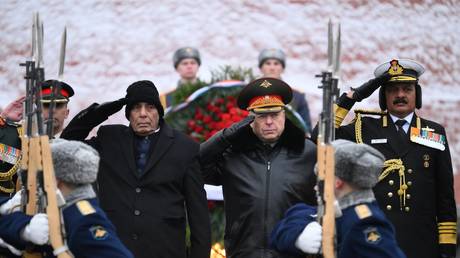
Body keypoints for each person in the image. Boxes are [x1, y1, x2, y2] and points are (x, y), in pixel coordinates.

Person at [312, 59, 456, 258]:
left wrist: (447, 246)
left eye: (407, 89)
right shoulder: (364, 127)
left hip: (423, 242)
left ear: (417, 94)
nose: (400, 95)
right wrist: (352, 97)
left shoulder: (433, 132)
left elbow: (445, 195)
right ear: (383, 96)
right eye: (392, 90)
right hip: (377, 239)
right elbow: (320, 138)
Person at [60, 80, 211, 258]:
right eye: (136, 108)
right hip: (114, 249)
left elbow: (198, 216)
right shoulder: (109, 139)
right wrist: (104, 110)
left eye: (150, 108)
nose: (143, 114)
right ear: (128, 114)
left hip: (165, 251)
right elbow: (67, 144)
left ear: (159, 112)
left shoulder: (184, 147)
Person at [200, 77, 317, 258]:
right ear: (250, 119)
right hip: (244, 252)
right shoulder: (233, 153)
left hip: (292, 252)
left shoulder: (307, 151)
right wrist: (226, 136)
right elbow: (196, 165)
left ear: (284, 114)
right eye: (262, 116)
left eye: (275, 114)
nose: (269, 121)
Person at [271, 140, 406, 258]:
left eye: (321, 179)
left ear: (337, 183)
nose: (316, 187)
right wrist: (297, 237)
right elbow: (282, 229)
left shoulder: (364, 222)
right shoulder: (334, 210)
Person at [0, 139, 134, 258]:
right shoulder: (63, 208)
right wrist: (24, 230)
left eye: (41, 177)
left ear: (55, 180)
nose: (38, 184)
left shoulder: (85, 220)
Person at [258, 48, 312, 133]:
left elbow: (305, 128)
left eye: (276, 64)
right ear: (261, 68)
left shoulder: (296, 96)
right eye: (268, 63)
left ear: (282, 68)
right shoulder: (250, 93)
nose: (272, 68)